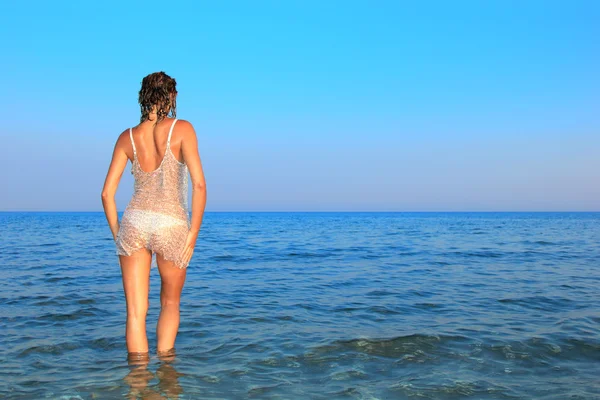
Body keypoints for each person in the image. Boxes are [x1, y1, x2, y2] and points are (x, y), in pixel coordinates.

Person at [101, 71, 207, 360]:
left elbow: (106, 194)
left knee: (135, 313)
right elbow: (198, 184)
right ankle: (167, 374)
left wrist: (118, 234)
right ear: (171, 96)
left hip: (134, 223)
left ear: (142, 97)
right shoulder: (182, 129)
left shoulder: (128, 137)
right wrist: (193, 233)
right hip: (171, 224)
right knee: (170, 304)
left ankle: (136, 382)